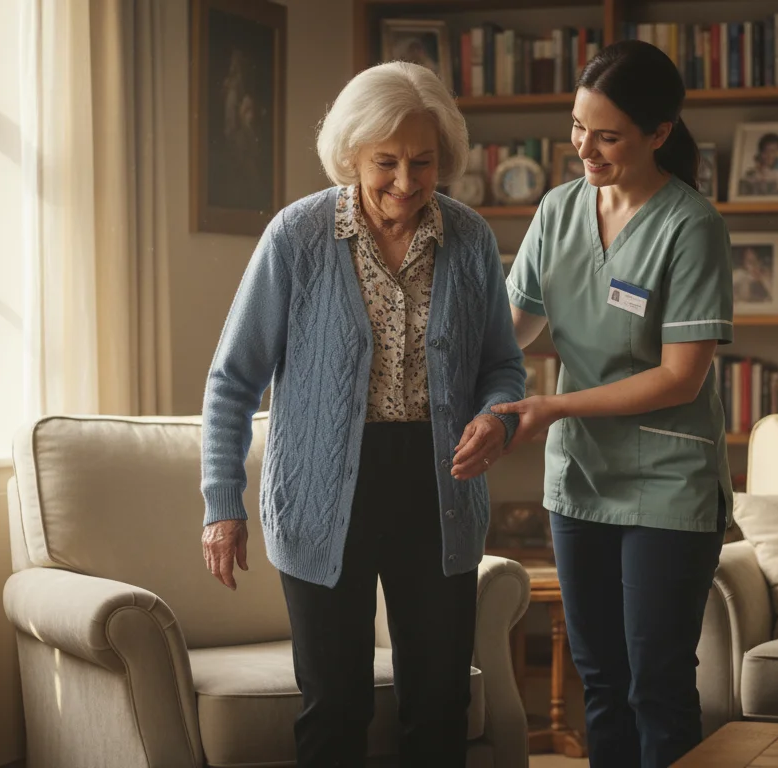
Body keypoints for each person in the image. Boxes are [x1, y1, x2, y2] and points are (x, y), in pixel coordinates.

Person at [199, 61, 527, 767]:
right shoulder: (297, 238)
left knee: (440, 701)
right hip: (323, 493)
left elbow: (503, 363)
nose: (405, 182)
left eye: (423, 161)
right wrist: (222, 503)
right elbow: (232, 379)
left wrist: (499, 416)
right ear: (351, 155)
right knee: (334, 707)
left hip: (439, 485)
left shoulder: (468, 240)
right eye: (386, 162)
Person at [492, 39, 734, 768]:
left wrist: (554, 410)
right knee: (601, 681)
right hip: (581, 482)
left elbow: (680, 378)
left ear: (659, 133)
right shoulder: (559, 209)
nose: (584, 148)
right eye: (577, 127)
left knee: (655, 685)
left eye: (607, 135)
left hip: (668, 482)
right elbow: (513, 330)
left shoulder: (691, 226)